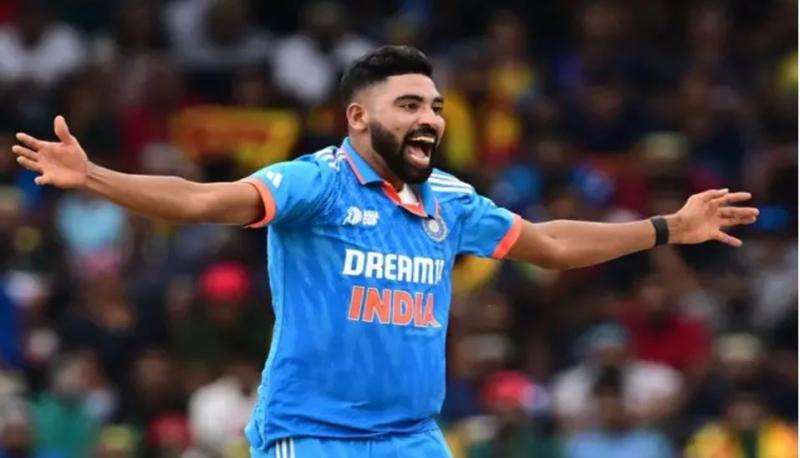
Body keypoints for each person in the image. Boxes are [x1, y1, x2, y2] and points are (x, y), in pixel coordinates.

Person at [10, 45, 759, 458]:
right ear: (358, 118)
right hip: (315, 436)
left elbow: (551, 244)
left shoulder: (450, 201)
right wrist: (95, 177)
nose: (429, 118)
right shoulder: (315, 183)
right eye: (409, 105)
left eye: (434, 105)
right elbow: (204, 200)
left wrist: (667, 227)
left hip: (413, 439)